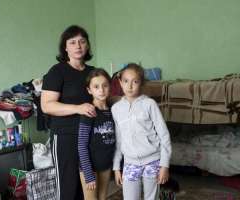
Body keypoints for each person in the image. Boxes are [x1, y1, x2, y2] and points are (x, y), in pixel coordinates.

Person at [41, 25, 96, 200]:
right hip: (65, 136)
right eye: (72, 42)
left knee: (87, 187)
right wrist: (78, 108)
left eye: (82, 41)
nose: (78, 46)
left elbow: (105, 99)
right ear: (65, 47)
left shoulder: (93, 73)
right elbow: (47, 106)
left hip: (90, 137)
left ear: (87, 45)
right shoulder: (57, 71)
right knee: (68, 187)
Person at [111, 63, 172, 200]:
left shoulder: (149, 104)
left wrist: (164, 165)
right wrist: (116, 167)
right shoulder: (116, 109)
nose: (130, 86)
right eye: (126, 81)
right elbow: (119, 140)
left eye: (135, 81)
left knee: (151, 198)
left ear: (141, 83)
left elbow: (164, 135)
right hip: (130, 163)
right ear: (120, 82)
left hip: (152, 161)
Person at [78, 68, 116, 200]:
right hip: (89, 168)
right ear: (89, 90)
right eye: (96, 86)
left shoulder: (113, 111)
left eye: (105, 85)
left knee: (102, 197)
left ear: (110, 87)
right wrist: (88, 175)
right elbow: (81, 145)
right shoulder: (89, 112)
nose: (101, 90)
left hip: (105, 165)